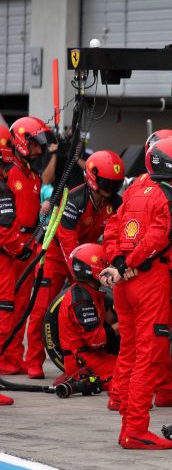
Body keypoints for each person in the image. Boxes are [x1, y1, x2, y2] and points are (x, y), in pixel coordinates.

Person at [101, 136, 172, 450]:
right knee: (149, 356)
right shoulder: (171, 198)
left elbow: (112, 227)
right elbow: (160, 238)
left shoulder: (134, 190)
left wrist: (117, 261)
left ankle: (122, 404)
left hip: (125, 283)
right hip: (149, 280)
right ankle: (135, 428)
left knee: (129, 349)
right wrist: (128, 262)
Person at [24, 150, 124, 379]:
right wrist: (80, 273)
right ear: (93, 179)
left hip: (89, 258)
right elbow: (68, 241)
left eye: (115, 183)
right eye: (107, 182)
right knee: (41, 307)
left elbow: (115, 236)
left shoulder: (116, 203)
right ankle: (34, 361)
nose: (110, 188)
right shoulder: (74, 199)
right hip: (58, 256)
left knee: (98, 303)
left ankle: (94, 353)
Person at [0, 116, 54, 375]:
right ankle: (4, 357)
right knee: (5, 306)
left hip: (27, 246)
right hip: (9, 248)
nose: (39, 149)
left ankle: (13, 356)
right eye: (35, 144)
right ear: (22, 141)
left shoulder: (33, 176)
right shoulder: (9, 173)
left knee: (21, 306)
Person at [58, 243, 117, 397]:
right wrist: (125, 325)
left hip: (93, 356)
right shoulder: (81, 299)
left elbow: (106, 321)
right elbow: (96, 340)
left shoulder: (90, 292)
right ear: (95, 268)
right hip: (82, 362)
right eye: (105, 264)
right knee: (130, 373)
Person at [0, 125, 27, 400]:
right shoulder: (2, 191)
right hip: (3, 261)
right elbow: (5, 231)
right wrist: (21, 250)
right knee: (3, 318)